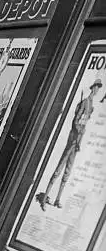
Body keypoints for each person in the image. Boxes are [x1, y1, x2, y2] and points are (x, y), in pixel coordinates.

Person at [37, 77, 102, 210]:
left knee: (68, 170)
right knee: (60, 167)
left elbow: (84, 123)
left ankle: (57, 199)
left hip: (77, 142)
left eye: (99, 88)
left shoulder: (91, 105)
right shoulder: (85, 102)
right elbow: (76, 121)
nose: (97, 90)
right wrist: (77, 137)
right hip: (73, 139)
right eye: (97, 87)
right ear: (93, 87)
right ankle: (45, 197)